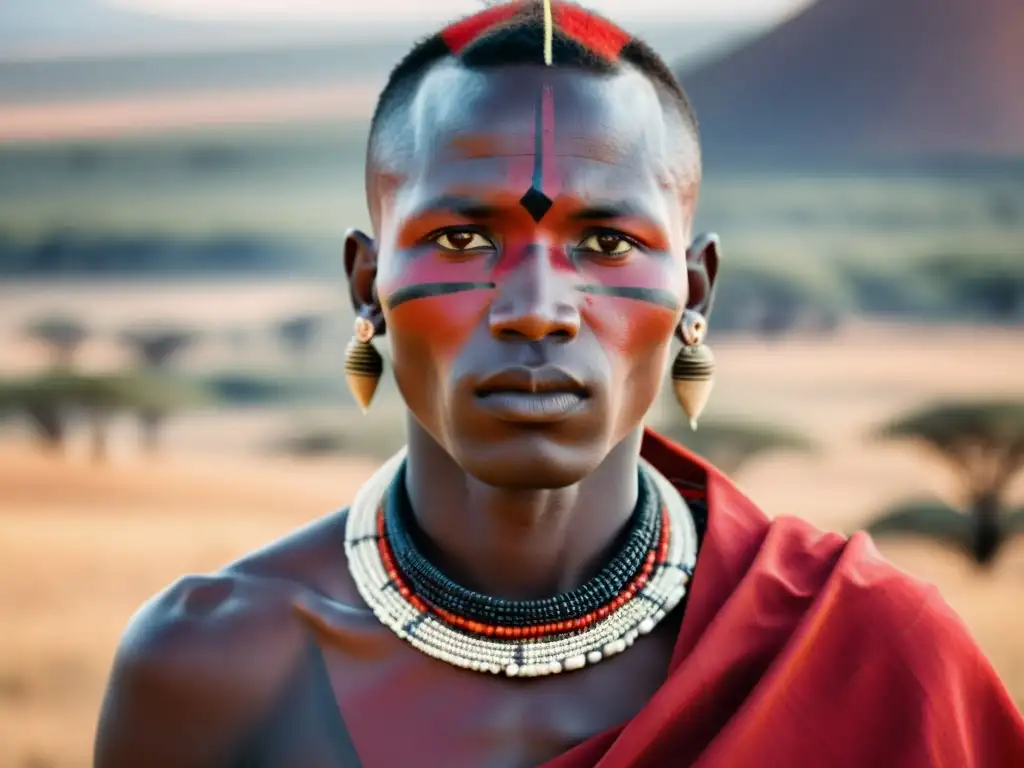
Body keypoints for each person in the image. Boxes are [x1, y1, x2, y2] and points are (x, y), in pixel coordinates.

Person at [94, 2, 1024, 766]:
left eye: (607, 244)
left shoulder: (875, 655)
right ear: (365, 285)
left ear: (694, 292)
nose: (537, 310)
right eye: (462, 239)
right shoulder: (208, 669)